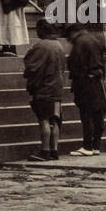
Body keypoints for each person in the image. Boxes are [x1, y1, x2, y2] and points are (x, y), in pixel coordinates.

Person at [23, 19, 64, 160]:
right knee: (55, 119)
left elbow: (32, 66)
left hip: (44, 88)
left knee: (44, 120)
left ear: (42, 30)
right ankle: (54, 150)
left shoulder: (41, 46)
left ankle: (45, 150)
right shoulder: (59, 45)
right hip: (57, 88)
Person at [66, 23, 106, 156]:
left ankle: (87, 146)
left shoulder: (80, 42)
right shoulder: (95, 40)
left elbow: (74, 64)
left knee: (87, 114)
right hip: (97, 80)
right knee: (98, 114)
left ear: (73, 32)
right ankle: (96, 146)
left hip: (85, 82)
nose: (69, 40)